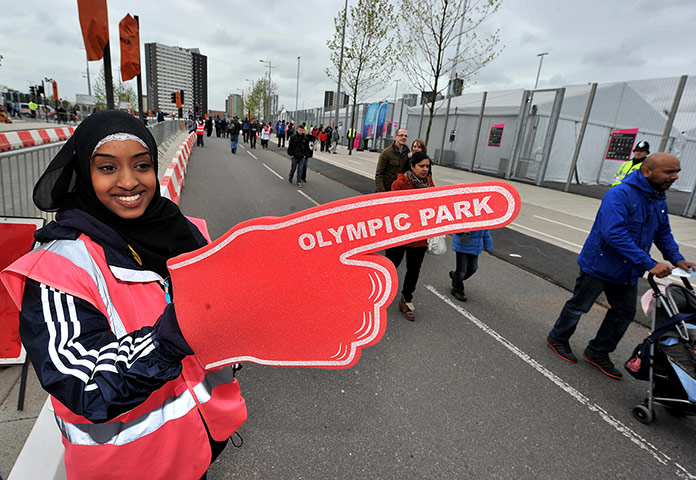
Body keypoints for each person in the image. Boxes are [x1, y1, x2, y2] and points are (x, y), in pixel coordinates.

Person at [0, 110, 247, 479]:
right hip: (129, 468)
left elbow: (219, 325)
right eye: (108, 168)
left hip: (199, 443)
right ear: (84, 173)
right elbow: (83, 384)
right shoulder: (56, 269)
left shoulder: (185, 233)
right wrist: (170, 339)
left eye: (142, 165)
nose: (129, 182)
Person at [547, 153, 696, 379]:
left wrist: (676, 258)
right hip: (599, 265)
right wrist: (649, 263)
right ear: (647, 171)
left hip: (627, 269)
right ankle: (557, 338)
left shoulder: (658, 198)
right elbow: (613, 234)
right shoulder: (620, 194)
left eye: (677, 172)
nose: (675, 177)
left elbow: (663, 232)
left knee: (624, 312)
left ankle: (597, 351)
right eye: (669, 172)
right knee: (579, 306)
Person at [386, 151, 435, 321]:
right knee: (390, 267)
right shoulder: (400, 183)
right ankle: (377, 297)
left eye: (427, 166)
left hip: (419, 237)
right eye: (421, 166)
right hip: (399, 236)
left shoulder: (429, 183)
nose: (425, 169)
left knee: (414, 270)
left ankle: (406, 299)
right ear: (412, 166)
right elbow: (392, 208)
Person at [449, 230, 493, 302]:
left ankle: (455, 277)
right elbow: (457, 230)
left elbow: (486, 233)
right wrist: (465, 230)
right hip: (462, 247)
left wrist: (488, 246)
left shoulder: (481, 220)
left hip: (475, 248)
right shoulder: (465, 219)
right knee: (461, 271)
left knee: (473, 268)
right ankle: (457, 290)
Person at [375, 128, 410, 192]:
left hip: (399, 191)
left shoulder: (407, 154)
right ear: (395, 137)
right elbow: (379, 174)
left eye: (405, 136)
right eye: (401, 135)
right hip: (387, 190)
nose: (404, 137)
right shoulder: (386, 153)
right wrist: (382, 192)